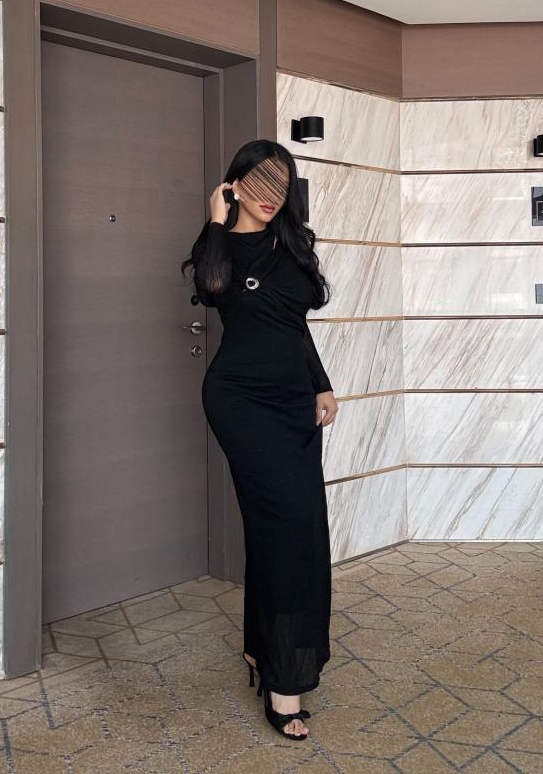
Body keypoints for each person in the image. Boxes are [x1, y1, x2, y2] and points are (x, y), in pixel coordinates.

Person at [181, 139, 338, 740]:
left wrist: (321, 384)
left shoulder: (290, 245)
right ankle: (283, 680)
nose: (272, 197)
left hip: (294, 402)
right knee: (286, 528)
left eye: (282, 186)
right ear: (236, 184)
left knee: (294, 526)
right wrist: (216, 220)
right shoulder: (220, 245)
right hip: (241, 402)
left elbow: (294, 327)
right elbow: (212, 287)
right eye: (261, 183)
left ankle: (260, 647)